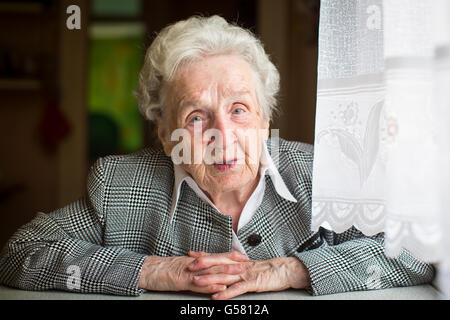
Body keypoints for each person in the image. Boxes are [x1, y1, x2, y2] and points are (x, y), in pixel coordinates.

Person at [0, 15, 434, 300]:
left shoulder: (324, 174)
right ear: (165, 134)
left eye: (239, 110)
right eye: (195, 117)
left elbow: (416, 252)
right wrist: (153, 271)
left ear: (265, 120)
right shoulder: (120, 186)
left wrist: (292, 269)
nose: (221, 136)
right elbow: (21, 252)